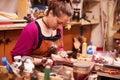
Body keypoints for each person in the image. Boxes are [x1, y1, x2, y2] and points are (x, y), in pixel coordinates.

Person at [11, 0, 73, 67]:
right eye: (59, 22)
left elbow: (60, 47)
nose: (60, 27)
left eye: (63, 24)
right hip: (32, 72)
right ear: (51, 13)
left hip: (51, 70)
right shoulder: (32, 29)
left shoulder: (58, 28)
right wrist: (41, 61)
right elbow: (17, 58)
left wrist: (60, 53)